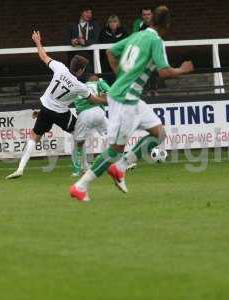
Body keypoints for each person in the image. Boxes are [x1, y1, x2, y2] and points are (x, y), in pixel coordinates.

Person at [70, 6, 194, 201]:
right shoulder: (156, 41)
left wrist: (121, 76)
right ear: (166, 25)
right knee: (115, 149)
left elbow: (111, 52)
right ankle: (80, 186)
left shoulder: (138, 35)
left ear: (152, 20)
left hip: (132, 97)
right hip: (124, 100)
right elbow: (164, 72)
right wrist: (182, 69)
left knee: (159, 133)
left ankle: (120, 168)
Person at [6, 31, 106, 180]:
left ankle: (20, 168)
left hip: (46, 108)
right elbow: (93, 100)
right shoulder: (80, 86)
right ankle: (85, 167)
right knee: (79, 135)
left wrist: (38, 42)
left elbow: (43, 56)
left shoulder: (60, 68)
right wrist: (106, 100)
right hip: (61, 113)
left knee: (34, 136)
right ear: (80, 70)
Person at [71, 74, 110, 177]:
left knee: (79, 142)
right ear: (95, 79)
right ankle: (117, 161)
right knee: (110, 136)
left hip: (83, 115)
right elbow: (110, 92)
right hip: (98, 111)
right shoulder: (98, 83)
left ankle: (76, 170)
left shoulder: (76, 88)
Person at [66, 7, 100, 73]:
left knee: (89, 78)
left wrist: (85, 42)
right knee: (75, 78)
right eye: (87, 12)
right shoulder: (72, 25)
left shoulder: (94, 25)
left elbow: (97, 39)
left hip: (90, 57)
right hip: (75, 56)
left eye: (91, 13)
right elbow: (65, 40)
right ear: (81, 13)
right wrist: (72, 42)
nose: (89, 15)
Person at [99, 15, 129, 84]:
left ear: (118, 23)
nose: (112, 24)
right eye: (110, 22)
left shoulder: (124, 32)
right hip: (106, 60)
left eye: (114, 22)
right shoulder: (104, 32)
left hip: (120, 59)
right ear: (108, 23)